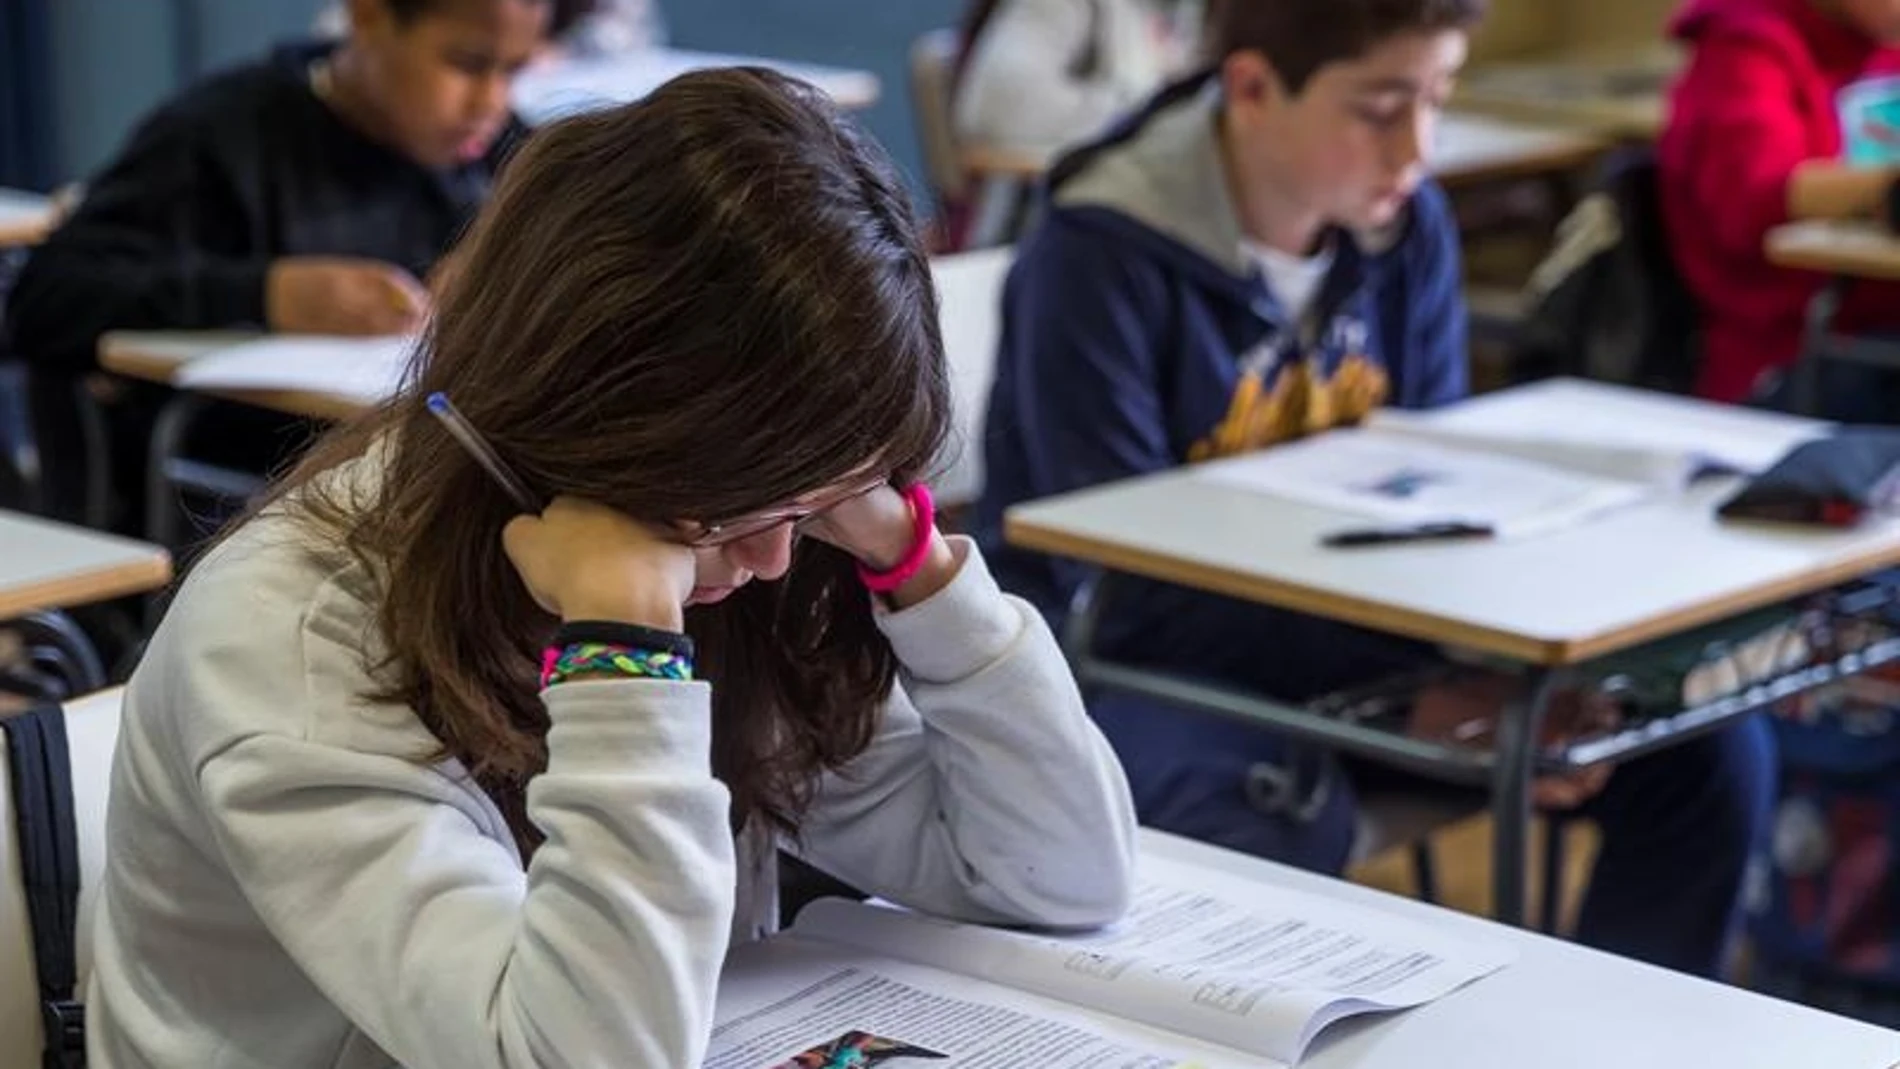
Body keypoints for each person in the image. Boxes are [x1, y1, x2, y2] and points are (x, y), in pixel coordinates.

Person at [86, 68, 1137, 1068]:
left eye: (808, 508)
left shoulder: (741, 570)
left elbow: (1055, 876)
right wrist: (625, 660)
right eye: (743, 507)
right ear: (601, 431)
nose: (774, 557)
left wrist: (916, 569)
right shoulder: (296, 639)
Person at [975, 0, 1775, 978]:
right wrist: (1395, 703)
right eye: (1380, 107)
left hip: (1354, 652)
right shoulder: (1099, 253)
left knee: (1701, 755)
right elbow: (1116, 583)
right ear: (1253, 88)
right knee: (1266, 807)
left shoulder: (1405, 229)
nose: (1417, 146)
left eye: (1436, 99)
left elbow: (1445, 515)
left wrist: (1509, 682)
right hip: (1129, 667)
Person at [7, 0, 550, 529]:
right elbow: (42, 297)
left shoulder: (503, 150)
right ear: (368, 15)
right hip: (244, 509)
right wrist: (265, 296)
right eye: (467, 64)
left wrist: (500, 265)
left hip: (429, 491)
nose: (491, 102)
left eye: (516, 71)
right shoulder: (221, 137)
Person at [1660, 0, 1900, 412]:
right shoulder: (1744, 46)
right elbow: (1758, 198)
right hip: (1790, 355)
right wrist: (1886, 190)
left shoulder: (1881, 40)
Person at [954, 0, 1203, 155]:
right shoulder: (1064, 6)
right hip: (1035, 216)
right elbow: (1002, 106)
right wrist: (1139, 116)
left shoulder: (1176, 11)